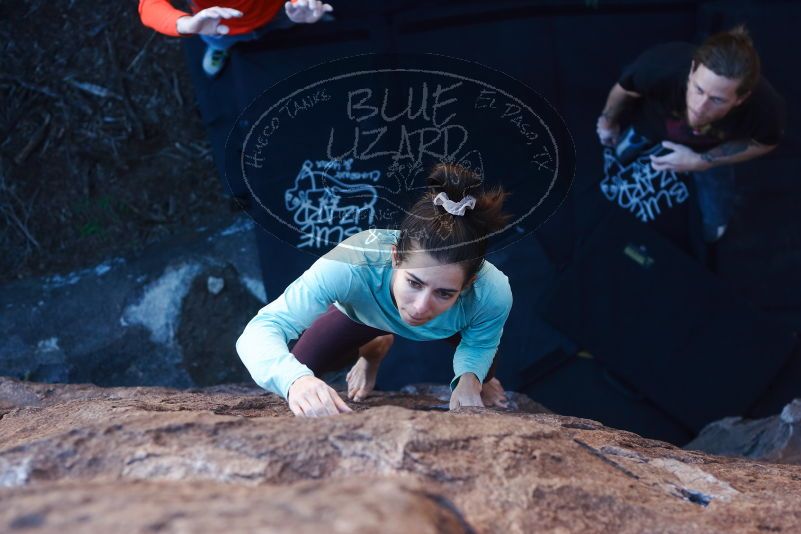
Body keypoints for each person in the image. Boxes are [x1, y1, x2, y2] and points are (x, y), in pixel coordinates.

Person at [236, 163, 513, 417]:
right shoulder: (350, 263)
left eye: (444, 293)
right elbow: (261, 329)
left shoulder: (492, 291)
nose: (420, 307)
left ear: (468, 283)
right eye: (414, 283)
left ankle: (480, 377)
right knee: (300, 366)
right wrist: (295, 379)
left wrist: (470, 379)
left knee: (485, 370)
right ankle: (373, 348)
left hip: (451, 325)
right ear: (394, 257)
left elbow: (480, 343)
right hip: (364, 314)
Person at [596, 26, 785, 242]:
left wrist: (704, 161)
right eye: (698, 89)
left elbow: (766, 143)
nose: (699, 107)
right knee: (618, 153)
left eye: (717, 99)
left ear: (740, 99)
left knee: (715, 222)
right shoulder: (661, 64)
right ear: (693, 69)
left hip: (709, 148)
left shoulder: (765, 108)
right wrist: (608, 121)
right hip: (650, 125)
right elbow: (625, 89)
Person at [138, 0, 333, 77]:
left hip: (279, 11)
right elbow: (150, 5)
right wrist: (184, 24)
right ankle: (219, 48)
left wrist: (301, 4)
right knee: (217, 41)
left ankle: (307, 15)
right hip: (219, 26)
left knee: (292, 21)